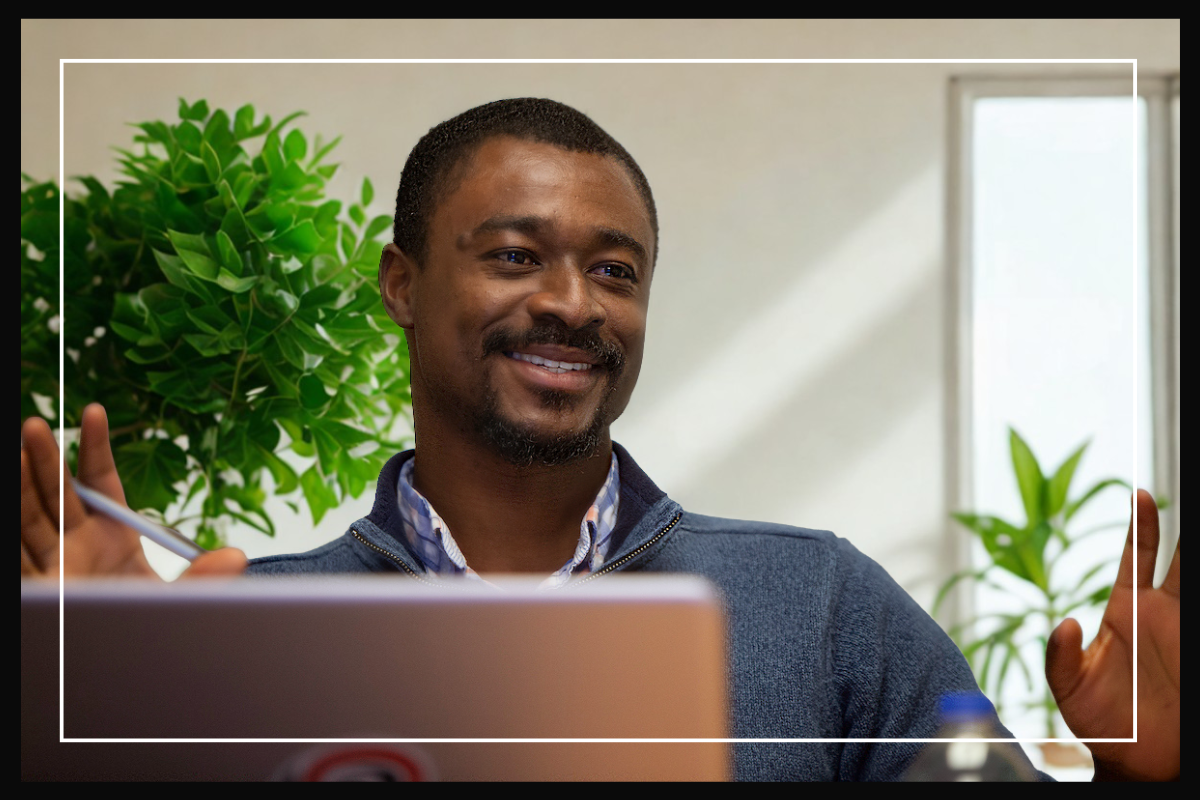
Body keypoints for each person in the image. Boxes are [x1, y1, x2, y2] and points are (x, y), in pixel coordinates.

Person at [20, 98, 1179, 781]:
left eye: (615, 271)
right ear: (401, 283)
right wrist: (93, 725)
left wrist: (1145, 777)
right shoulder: (242, 636)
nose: (573, 302)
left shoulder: (825, 604)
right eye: (515, 255)